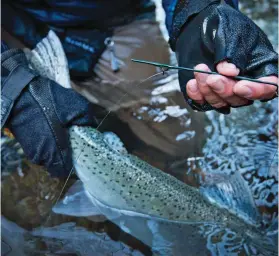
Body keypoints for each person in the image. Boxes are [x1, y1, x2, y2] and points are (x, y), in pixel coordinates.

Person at [1, 0, 278, 176]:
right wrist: (12, 87)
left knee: (181, 144)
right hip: (9, 21)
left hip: (109, 21)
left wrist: (195, 11)